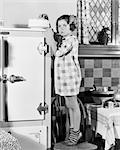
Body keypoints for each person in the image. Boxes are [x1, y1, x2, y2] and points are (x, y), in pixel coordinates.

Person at [38, 14, 82, 146]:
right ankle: (73, 130)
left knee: (73, 105)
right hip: (64, 79)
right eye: (59, 26)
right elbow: (56, 39)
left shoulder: (71, 40)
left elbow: (58, 52)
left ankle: (76, 132)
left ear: (71, 26)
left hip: (71, 77)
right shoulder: (64, 39)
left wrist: (48, 42)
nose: (61, 28)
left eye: (64, 25)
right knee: (69, 105)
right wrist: (49, 26)